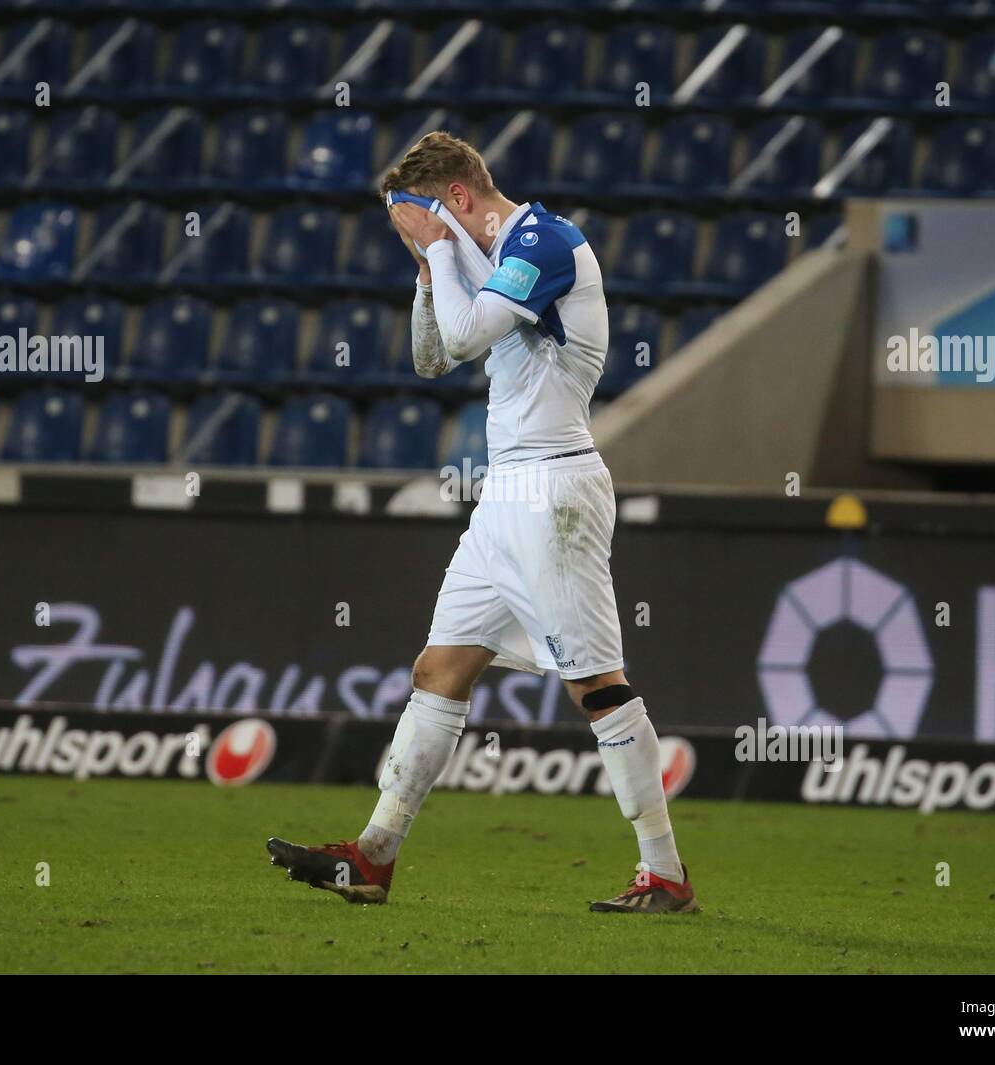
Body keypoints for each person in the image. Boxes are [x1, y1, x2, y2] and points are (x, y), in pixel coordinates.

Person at [268, 132, 696, 914]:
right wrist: (432, 267)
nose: (408, 238)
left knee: (595, 684)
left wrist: (443, 250)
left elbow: (466, 337)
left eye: (412, 223)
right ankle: (374, 855)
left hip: (555, 491)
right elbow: (433, 355)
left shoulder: (546, 240)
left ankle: (664, 871)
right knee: (440, 668)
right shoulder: (482, 258)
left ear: (455, 199)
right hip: (504, 498)